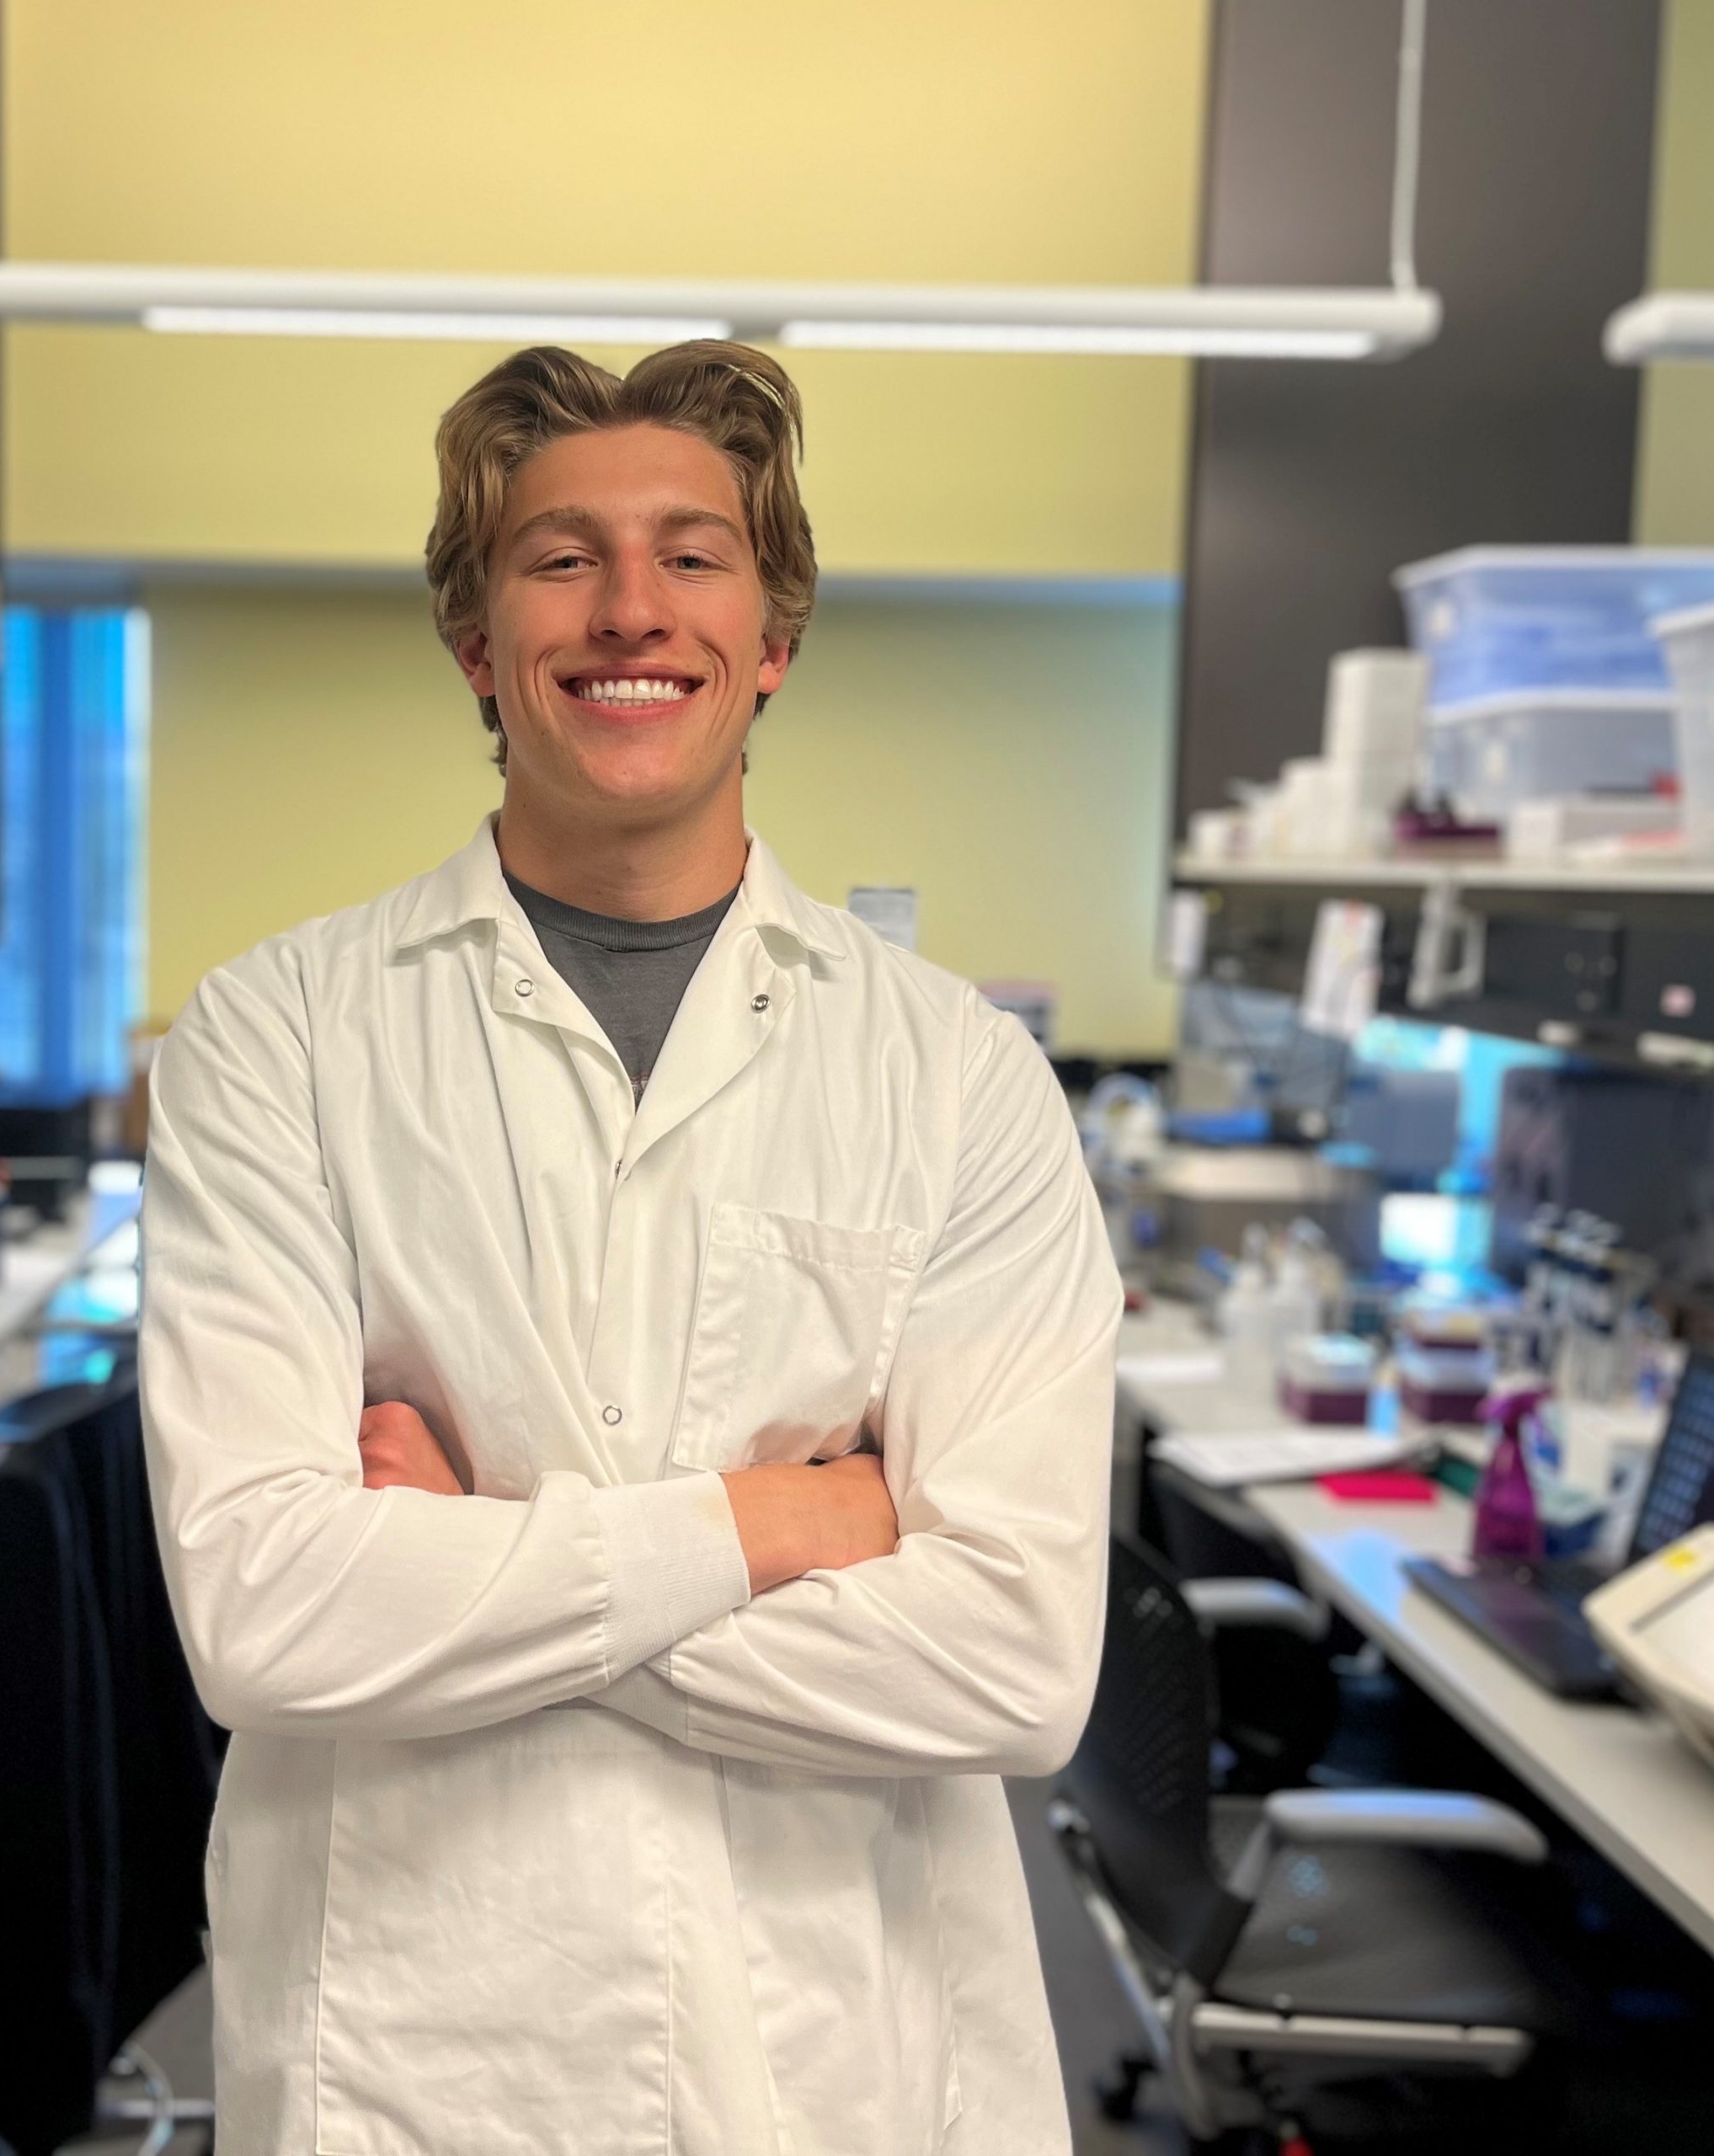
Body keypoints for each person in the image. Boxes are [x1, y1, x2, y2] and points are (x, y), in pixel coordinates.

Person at [141, 340, 1122, 2156]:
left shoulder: (956, 1073)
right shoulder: (270, 1036)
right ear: (473, 637)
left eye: (692, 553)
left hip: (839, 2054)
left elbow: (1009, 1660)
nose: (627, 606)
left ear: (770, 638)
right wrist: (771, 1525)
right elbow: (265, 1616)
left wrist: (455, 1554)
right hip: (418, 2051)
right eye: (557, 553)